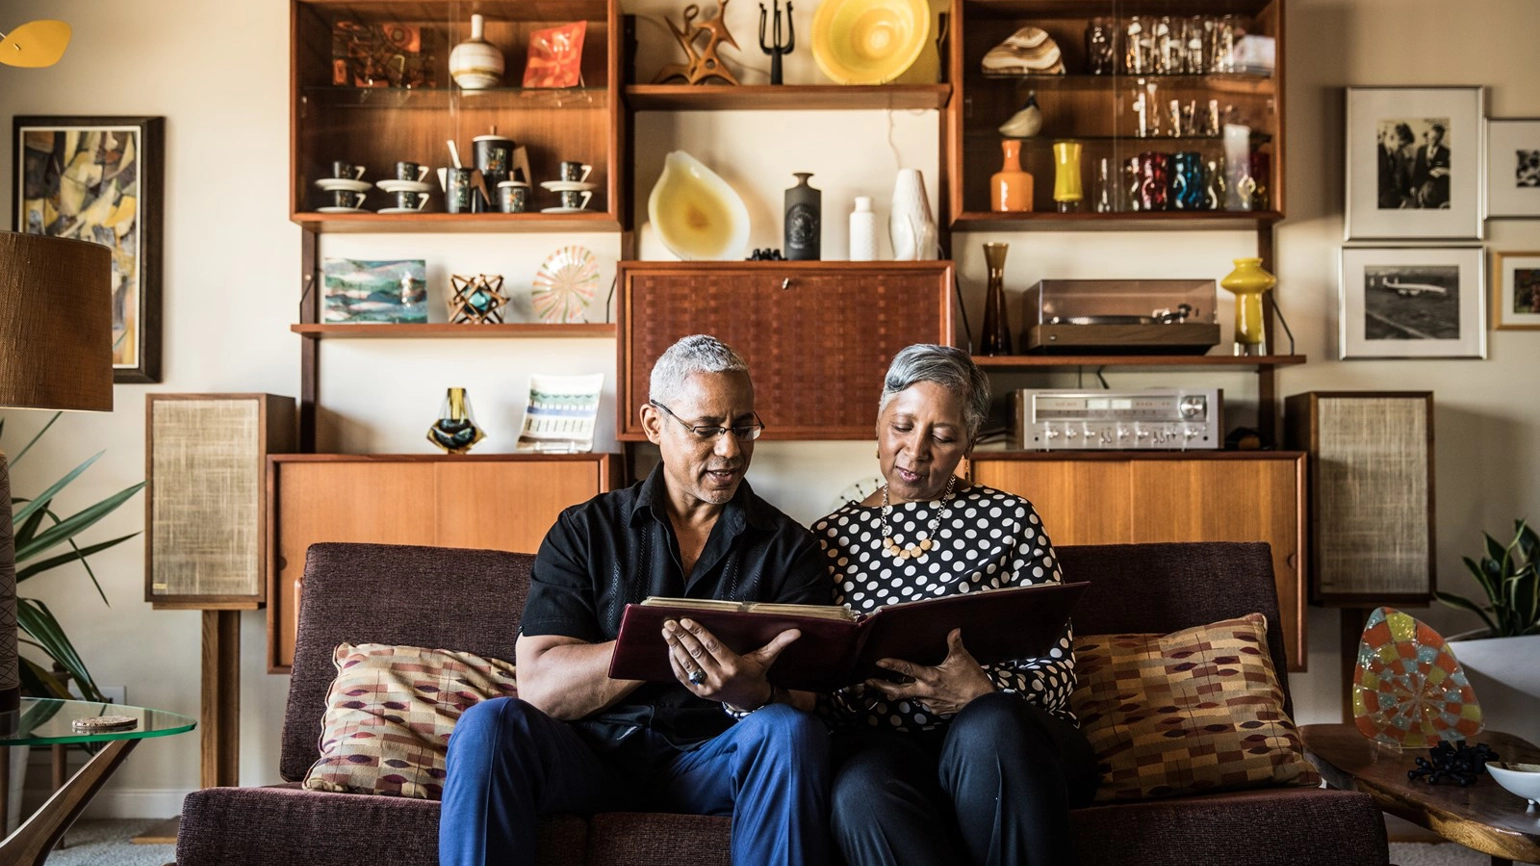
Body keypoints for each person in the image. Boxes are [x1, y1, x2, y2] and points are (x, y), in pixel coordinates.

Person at [439, 335, 832, 866]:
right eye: (706, 429)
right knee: (490, 724)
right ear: (653, 425)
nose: (731, 449)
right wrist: (654, 642)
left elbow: (806, 699)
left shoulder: (791, 549)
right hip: (588, 760)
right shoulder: (584, 531)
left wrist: (750, 692)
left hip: (711, 760)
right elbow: (540, 687)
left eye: (743, 427)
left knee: (787, 729)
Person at [812, 344, 1099, 866]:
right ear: (878, 423)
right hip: (887, 746)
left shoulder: (1010, 520)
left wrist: (983, 691)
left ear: (968, 441)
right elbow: (813, 686)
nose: (915, 451)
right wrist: (850, 687)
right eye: (901, 426)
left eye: (942, 437)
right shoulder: (828, 539)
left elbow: (1057, 672)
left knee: (988, 723)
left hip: (1010, 741)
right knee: (859, 790)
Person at [1412, 123, 1451, 208]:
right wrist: (1414, 186)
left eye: (1436, 139)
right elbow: (1417, 169)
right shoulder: (1421, 150)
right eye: (1431, 138)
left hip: (1436, 191)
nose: (1433, 141)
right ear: (1428, 135)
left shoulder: (1446, 152)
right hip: (1420, 188)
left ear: (1441, 138)